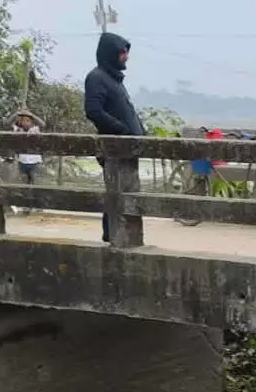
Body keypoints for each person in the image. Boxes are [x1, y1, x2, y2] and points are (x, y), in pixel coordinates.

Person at [84, 32, 145, 242]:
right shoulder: (97, 77)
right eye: (122, 53)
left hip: (129, 148)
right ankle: (113, 234)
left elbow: (126, 111)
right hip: (114, 148)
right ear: (111, 54)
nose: (126, 57)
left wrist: (141, 132)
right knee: (117, 191)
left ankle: (121, 234)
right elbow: (93, 110)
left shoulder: (114, 80)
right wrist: (122, 131)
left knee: (126, 191)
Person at [11, 109, 43, 185]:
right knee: (23, 182)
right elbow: (7, 123)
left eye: (28, 121)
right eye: (23, 121)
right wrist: (17, 113)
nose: (25, 123)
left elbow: (42, 124)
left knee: (34, 182)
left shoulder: (35, 129)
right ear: (20, 122)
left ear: (32, 122)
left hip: (35, 161)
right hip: (22, 161)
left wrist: (31, 114)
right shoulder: (18, 130)